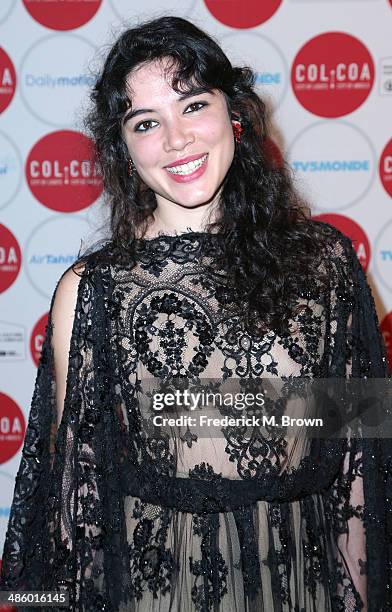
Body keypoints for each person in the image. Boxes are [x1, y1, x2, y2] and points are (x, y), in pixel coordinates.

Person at [1, 15, 391, 612]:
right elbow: (72, 509)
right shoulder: (91, 292)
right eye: (146, 122)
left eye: (193, 106)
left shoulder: (326, 266)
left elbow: (362, 471)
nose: (177, 140)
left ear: (233, 113)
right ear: (123, 147)